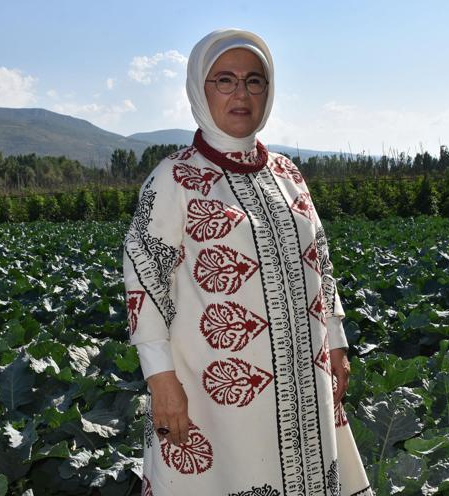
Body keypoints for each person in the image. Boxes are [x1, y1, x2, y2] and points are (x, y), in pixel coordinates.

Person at [123, 28, 372, 496]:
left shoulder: (287, 174)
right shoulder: (173, 178)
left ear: (269, 90)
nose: (242, 93)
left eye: (254, 81)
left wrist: (336, 340)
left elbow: (321, 258)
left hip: (305, 381)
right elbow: (144, 284)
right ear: (200, 88)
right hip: (214, 397)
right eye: (225, 80)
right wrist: (161, 382)